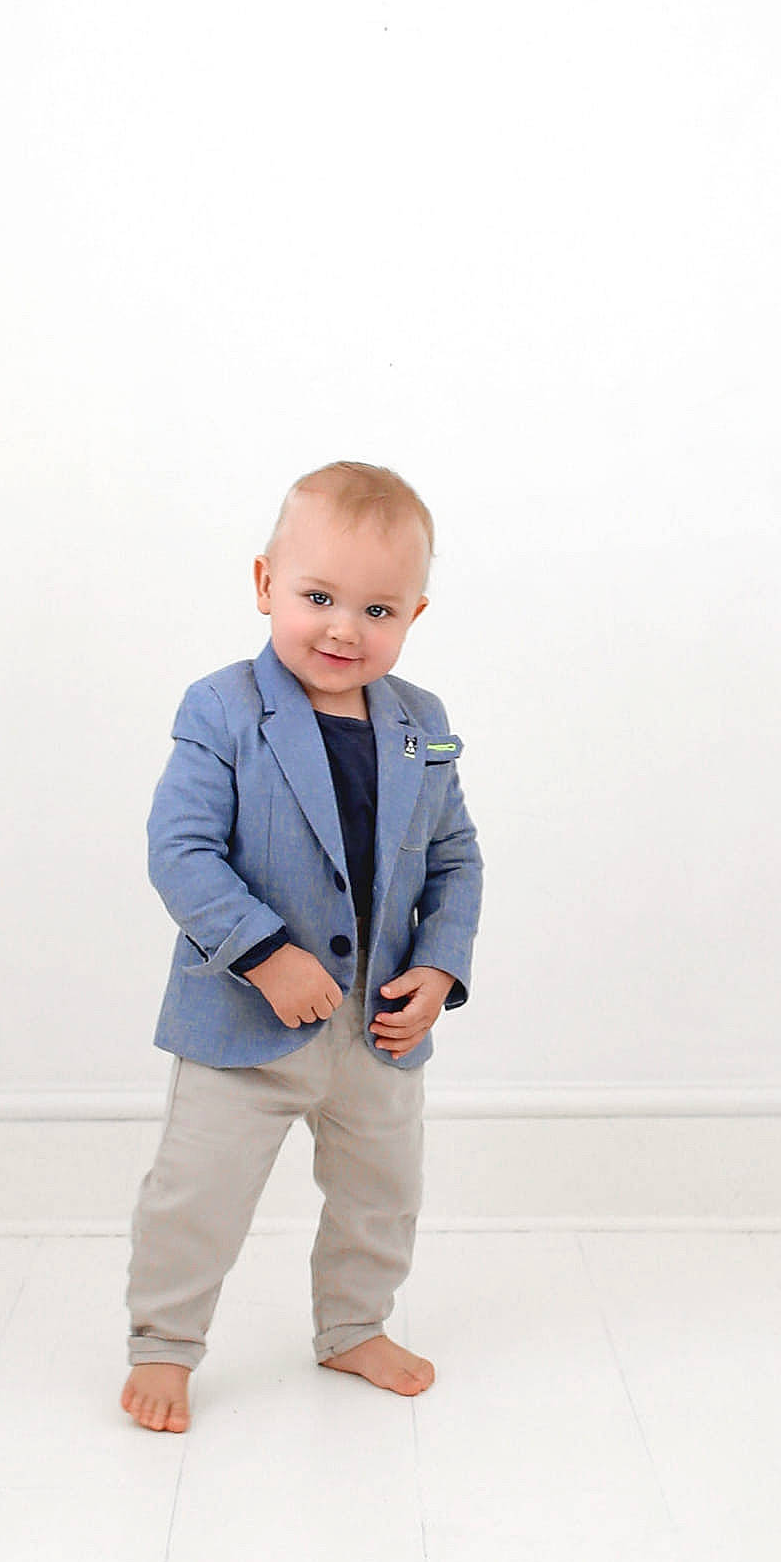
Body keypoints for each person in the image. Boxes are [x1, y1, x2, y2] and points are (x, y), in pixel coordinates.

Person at [122, 461, 484, 1433]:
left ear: (414, 613)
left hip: (378, 1032)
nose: (342, 628)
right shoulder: (224, 708)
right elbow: (181, 850)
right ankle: (164, 1341)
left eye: (376, 608)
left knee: (381, 1193)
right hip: (247, 1024)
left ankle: (353, 1325)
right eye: (317, 596)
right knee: (195, 1195)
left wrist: (439, 965)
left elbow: (453, 854)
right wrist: (264, 952)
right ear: (263, 585)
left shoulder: (422, 723)